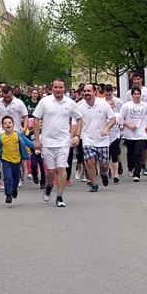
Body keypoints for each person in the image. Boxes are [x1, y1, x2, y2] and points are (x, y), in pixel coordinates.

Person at [33, 78, 83, 207]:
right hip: (48, 141)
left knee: (62, 168)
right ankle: (49, 186)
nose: (58, 90)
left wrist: (77, 136)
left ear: (64, 88)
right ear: (52, 88)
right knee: (50, 171)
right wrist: (37, 139)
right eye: (56, 87)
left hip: (63, 141)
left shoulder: (70, 103)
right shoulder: (45, 102)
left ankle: (60, 196)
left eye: (60, 87)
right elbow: (36, 118)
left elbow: (79, 118)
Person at [77, 83, 116, 192]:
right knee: (89, 161)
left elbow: (113, 119)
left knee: (104, 165)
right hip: (87, 138)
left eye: (89, 91)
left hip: (102, 139)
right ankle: (94, 183)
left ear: (95, 92)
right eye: (85, 91)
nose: (86, 93)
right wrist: (75, 136)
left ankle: (103, 173)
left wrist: (107, 128)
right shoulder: (80, 106)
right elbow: (76, 123)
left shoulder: (103, 104)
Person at [0, 116, 34, 204]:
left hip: (17, 161)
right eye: (5, 123)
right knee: (8, 178)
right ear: (3, 127)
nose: (7, 124)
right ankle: (8, 195)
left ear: (13, 125)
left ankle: (14, 188)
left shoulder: (18, 135)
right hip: (6, 161)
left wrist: (34, 145)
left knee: (16, 178)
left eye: (9, 122)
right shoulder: (0, 138)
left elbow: (27, 142)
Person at [119, 87, 147, 182]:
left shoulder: (145, 105)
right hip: (130, 133)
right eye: (135, 94)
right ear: (132, 95)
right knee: (131, 152)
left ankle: (137, 173)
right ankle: (130, 167)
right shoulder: (127, 106)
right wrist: (129, 125)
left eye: (138, 94)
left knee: (138, 152)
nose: (137, 96)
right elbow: (121, 118)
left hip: (141, 133)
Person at [126, 72, 147, 175]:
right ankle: (132, 166)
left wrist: (145, 106)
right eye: (134, 79)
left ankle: (143, 165)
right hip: (133, 124)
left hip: (144, 123)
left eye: (138, 79)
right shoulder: (129, 93)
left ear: (142, 79)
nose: (136, 81)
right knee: (132, 148)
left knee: (144, 147)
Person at [26, 118, 45, 189]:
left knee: (43, 168)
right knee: (33, 165)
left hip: (43, 153)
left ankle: (43, 182)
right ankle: (34, 174)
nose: (40, 124)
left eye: (41, 122)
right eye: (39, 122)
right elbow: (27, 141)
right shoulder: (31, 133)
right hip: (34, 153)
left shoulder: (45, 133)